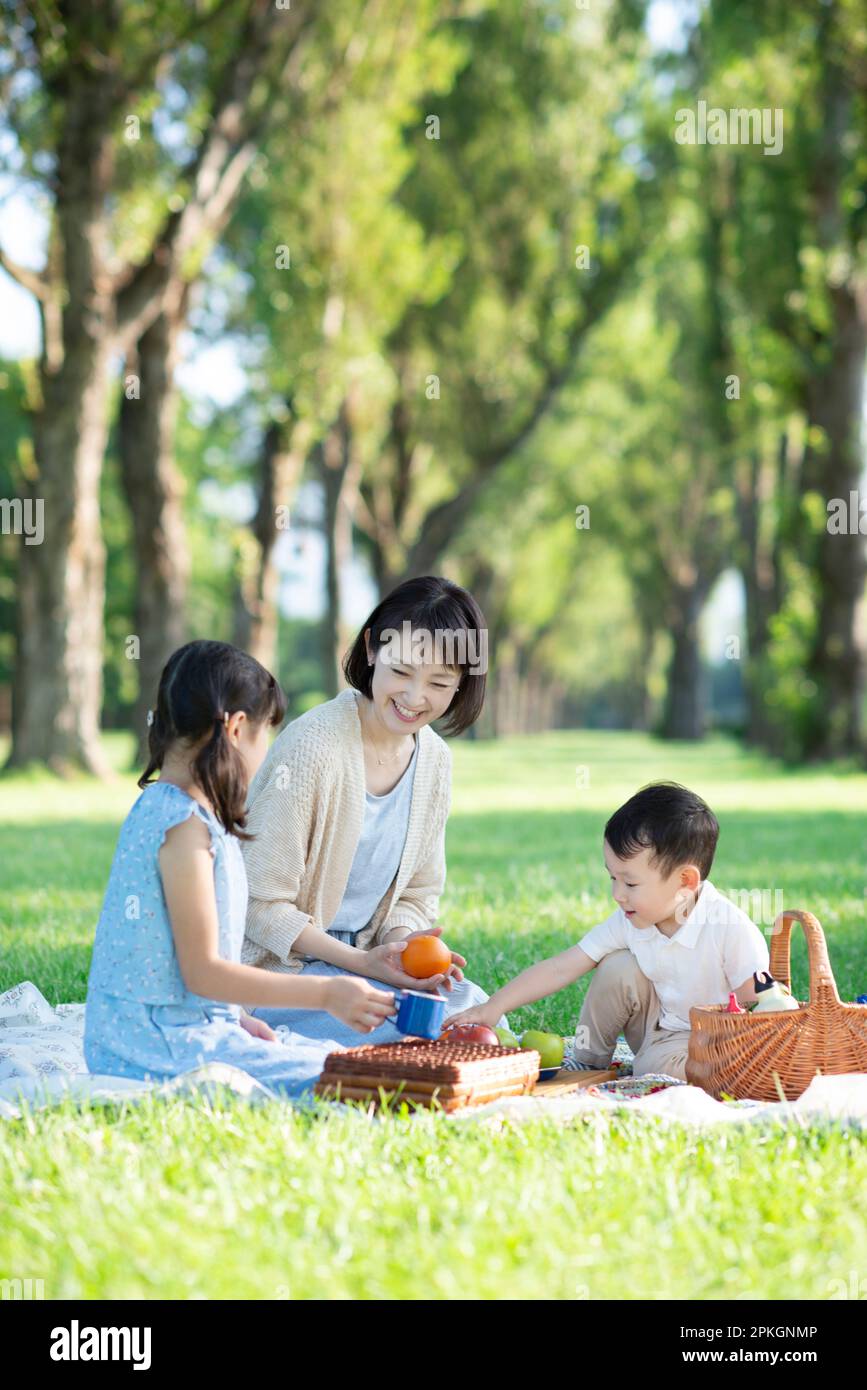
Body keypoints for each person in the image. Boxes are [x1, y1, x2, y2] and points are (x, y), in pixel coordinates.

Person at [83, 640, 410, 1101]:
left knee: (331, 1065)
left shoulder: (159, 808)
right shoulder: (185, 830)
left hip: (144, 1040)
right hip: (161, 1051)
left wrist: (235, 1017)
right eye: (263, 737)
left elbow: (172, 963)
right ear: (236, 728)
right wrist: (326, 994)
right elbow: (203, 973)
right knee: (355, 1081)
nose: (264, 755)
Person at [241, 575, 510, 1046]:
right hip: (282, 970)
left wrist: (401, 947)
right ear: (371, 649)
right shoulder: (312, 747)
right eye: (401, 671)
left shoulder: (434, 761)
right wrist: (362, 966)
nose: (413, 698)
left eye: (439, 683)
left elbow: (418, 892)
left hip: (367, 964)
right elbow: (259, 905)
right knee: (395, 1035)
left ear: (462, 684)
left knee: (479, 1020)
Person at [443, 782, 770, 1080]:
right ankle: (588, 1059)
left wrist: (738, 1033)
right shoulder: (630, 919)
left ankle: (715, 1072)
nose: (617, 894)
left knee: (661, 1066)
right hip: (660, 1028)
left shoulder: (727, 927)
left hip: (715, 1040)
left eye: (630, 882)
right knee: (617, 967)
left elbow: (763, 996)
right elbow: (561, 967)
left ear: (685, 882)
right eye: (612, 878)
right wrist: (493, 1007)